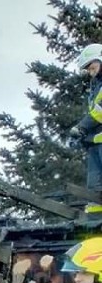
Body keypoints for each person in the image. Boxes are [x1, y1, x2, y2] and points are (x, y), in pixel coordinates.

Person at [69, 44, 102, 214]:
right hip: (96, 144)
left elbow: (99, 112)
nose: (90, 72)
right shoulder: (96, 85)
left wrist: (81, 127)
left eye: (92, 67)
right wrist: (83, 135)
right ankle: (96, 223)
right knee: (94, 190)